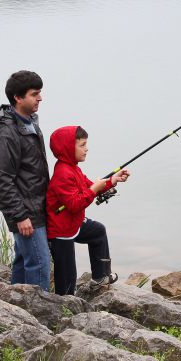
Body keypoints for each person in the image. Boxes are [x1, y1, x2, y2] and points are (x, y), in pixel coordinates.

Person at [46, 125, 130, 295]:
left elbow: (89, 185)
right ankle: (64, 307)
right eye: (82, 145)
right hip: (61, 231)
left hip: (73, 223)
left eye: (86, 144)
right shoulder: (63, 173)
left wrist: (112, 180)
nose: (86, 149)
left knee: (98, 231)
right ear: (68, 148)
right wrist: (93, 190)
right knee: (68, 278)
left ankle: (100, 278)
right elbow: (75, 204)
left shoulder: (73, 168)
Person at [0, 70, 51, 291]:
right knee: (40, 264)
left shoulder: (29, 121)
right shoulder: (5, 133)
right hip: (26, 212)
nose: (40, 98)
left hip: (36, 206)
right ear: (18, 97)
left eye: (40, 93)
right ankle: (38, 317)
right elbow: (3, 179)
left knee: (24, 262)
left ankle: (14, 307)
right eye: (35, 94)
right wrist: (20, 215)